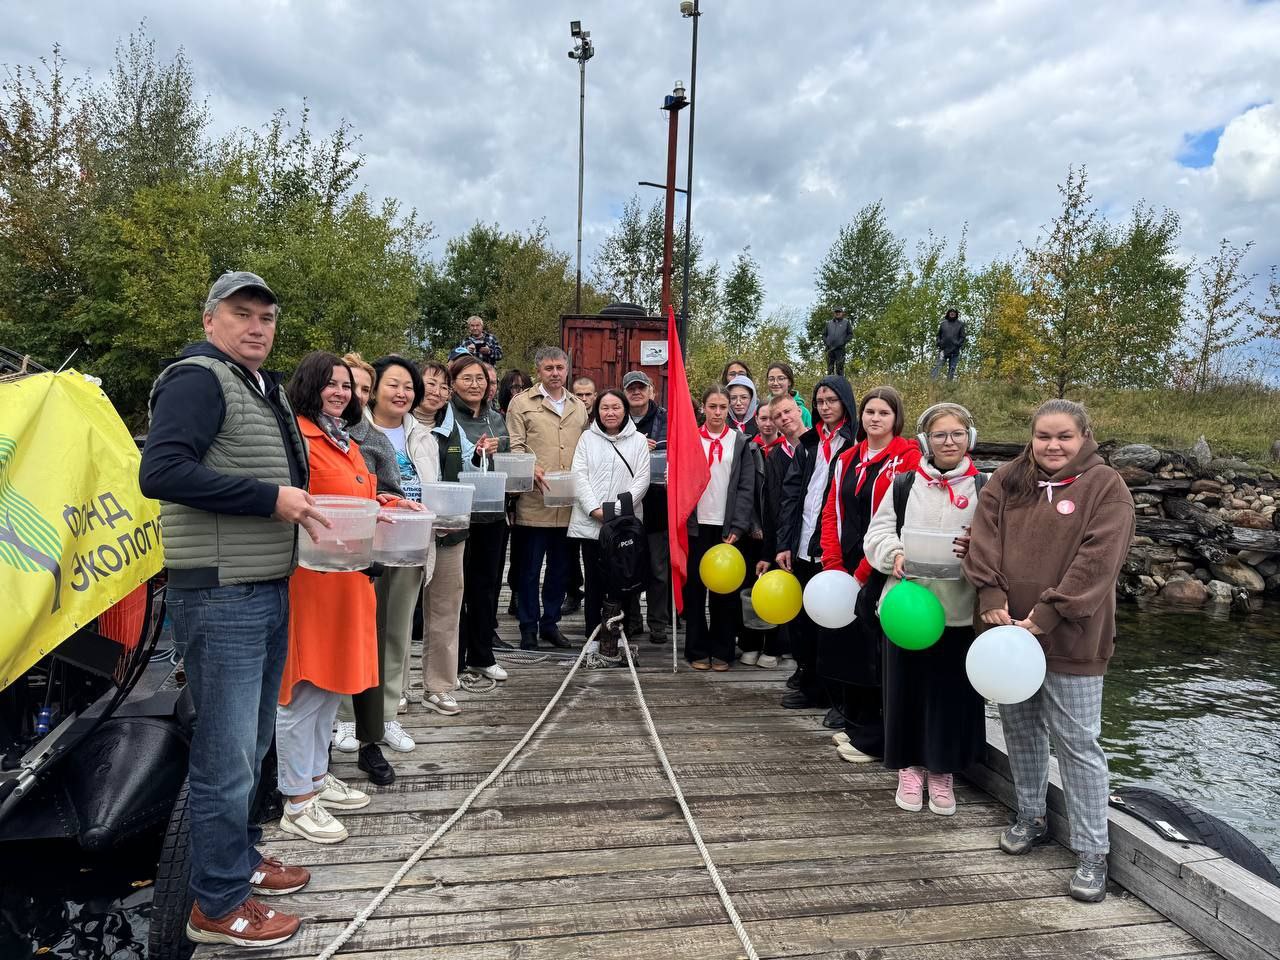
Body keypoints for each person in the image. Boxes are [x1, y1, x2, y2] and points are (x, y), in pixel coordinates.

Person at [140, 271, 323, 947]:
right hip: (221, 592)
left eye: (267, 318)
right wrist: (269, 499)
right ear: (210, 319)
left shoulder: (257, 384)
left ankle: (240, 861)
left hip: (263, 584)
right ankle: (216, 905)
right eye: (241, 314)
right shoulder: (197, 378)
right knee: (224, 755)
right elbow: (159, 471)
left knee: (253, 743)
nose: (257, 327)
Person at [964, 399, 1135, 904]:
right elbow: (982, 537)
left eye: (1063, 436)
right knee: (1021, 731)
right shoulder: (1009, 480)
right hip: (1008, 640)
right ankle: (1031, 815)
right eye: (1043, 436)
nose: (1052, 446)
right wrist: (991, 595)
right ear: (1032, 438)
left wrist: (1051, 612)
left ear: (1084, 437)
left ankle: (1091, 851)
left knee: (1079, 745)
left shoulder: (1108, 489)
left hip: (1070, 639)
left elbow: (1098, 562)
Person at [275, 353, 381, 845]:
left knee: (333, 687)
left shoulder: (345, 439)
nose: (341, 392)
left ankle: (316, 778)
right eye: (330, 384)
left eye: (347, 385)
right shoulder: (296, 436)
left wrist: (385, 502)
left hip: (349, 577)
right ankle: (296, 800)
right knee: (304, 689)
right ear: (309, 386)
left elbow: (355, 498)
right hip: (313, 579)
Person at [864, 402, 985, 815]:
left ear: (969, 437)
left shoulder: (985, 488)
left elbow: (1002, 545)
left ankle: (943, 770)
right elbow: (877, 532)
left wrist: (979, 550)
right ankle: (910, 769)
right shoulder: (902, 484)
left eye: (956, 433)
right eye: (939, 435)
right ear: (925, 441)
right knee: (906, 690)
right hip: (907, 608)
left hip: (960, 611)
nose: (948, 441)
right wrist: (894, 554)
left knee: (952, 693)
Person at [333, 356, 428, 776]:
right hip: (340, 553)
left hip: (394, 545)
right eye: (350, 386)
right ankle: (342, 718)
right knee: (344, 636)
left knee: (393, 632)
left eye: (363, 389)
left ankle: (385, 715)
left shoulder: (377, 438)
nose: (355, 395)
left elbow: (390, 488)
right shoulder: (317, 434)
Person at [819, 386, 920, 749]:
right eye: (869, 412)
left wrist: (863, 570)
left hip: (882, 564)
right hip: (843, 564)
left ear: (896, 419)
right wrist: (833, 564)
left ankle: (875, 732)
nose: (875, 418)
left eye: (884, 413)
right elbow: (830, 509)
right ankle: (853, 718)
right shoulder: (847, 458)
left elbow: (894, 521)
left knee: (874, 648)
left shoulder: (907, 459)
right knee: (847, 643)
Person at [775, 376, 858, 709]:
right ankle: (810, 686)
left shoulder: (856, 442)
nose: (825, 407)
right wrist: (784, 542)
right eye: (820, 401)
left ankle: (838, 697)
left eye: (832, 401)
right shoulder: (809, 443)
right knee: (803, 622)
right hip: (804, 541)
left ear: (846, 403)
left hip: (837, 548)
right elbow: (791, 494)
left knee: (836, 625)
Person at [506, 347, 589, 650]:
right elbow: (515, 446)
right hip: (534, 503)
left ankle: (550, 624)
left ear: (568, 370)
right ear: (538, 371)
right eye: (549, 368)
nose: (555, 373)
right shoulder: (521, 404)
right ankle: (528, 626)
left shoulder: (579, 407)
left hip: (567, 505)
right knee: (529, 570)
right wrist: (531, 466)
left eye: (560, 368)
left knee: (560, 570)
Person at [410, 360, 471, 710]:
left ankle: (439, 686)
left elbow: (467, 474)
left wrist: (483, 459)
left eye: (443, 387)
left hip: (449, 532)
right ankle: (394, 690)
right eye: (429, 384)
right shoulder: (395, 425)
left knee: (446, 610)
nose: (436, 392)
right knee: (398, 614)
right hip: (406, 532)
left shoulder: (454, 429)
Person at [569, 388, 651, 638]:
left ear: (625, 410)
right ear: (597, 411)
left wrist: (613, 512)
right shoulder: (587, 439)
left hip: (624, 525)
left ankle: (619, 635)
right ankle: (593, 635)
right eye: (605, 408)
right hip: (592, 523)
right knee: (594, 582)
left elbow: (642, 480)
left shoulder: (637, 440)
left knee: (623, 580)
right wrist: (595, 509)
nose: (610, 412)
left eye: (616, 407)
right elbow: (579, 476)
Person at [684, 385, 756, 670]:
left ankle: (723, 650)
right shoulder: (691, 439)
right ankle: (697, 649)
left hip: (726, 527)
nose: (717, 412)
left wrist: (738, 525)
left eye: (722, 407)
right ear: (703, 408)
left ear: (729, 409)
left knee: (724, 592)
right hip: (697, 525)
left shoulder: (739, 442)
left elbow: (745, 486)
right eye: (712, 406)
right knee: (696, 589)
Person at [449, 354, 510, 680]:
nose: (475, 385)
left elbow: (510, 456)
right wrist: (475, 452)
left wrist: (500, 451)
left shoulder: (496, 418)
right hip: (458, 513)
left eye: (480, 379)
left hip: (493, 514)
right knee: (456, 588)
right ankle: (454, 661)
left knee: (487, 587)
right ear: (453, 383)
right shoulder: (446, 418)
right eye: (467, 378)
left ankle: (482, 656)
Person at [753, 393, 808, 669]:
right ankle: (798, 665)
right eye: (777, 416)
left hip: (815, 539)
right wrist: (768, 550)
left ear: (798, 411)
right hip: (787, 539)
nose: (784, 419)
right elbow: (773, 507)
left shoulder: (819, 447)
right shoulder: (776, 456)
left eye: (787, 412)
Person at [623, 370, 670, 645]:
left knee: (658, 569)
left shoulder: (666, 418)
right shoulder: (618, 418)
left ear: (651, 390)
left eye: (641, 388)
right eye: (631, 389)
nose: (636, 392)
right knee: (628, 564)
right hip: (628, 503)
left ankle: (658, 623)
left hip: (657, 504)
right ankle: (631, 619)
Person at [497, 368, 533, 618]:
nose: (517, 392)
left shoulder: (531, 413)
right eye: (513, 388)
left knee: (521, 550)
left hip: (523, 493)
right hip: (500, 493)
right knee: (498, 553)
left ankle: (518, 596)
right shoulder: (496, 417)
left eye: (522, 388)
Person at [563, 376, 599, 614]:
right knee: (569, 549)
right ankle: (573, 591)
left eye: (588, 395)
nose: (584, 399)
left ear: (595, 396)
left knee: (594, 551)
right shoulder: (566, 418)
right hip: (567, 489)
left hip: (594, 493)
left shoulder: (603, 420)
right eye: (579, 395)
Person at [764, 362, 813, 428]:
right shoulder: (763, 409)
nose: (775, 383)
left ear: (789, 381)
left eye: (781, 378)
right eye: (771, 379)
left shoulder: (803, 412)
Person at [932, 308, 966, 382]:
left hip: (954, 352)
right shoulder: (943, 324)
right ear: (948, 313)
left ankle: (948, 385)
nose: (952, 313)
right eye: (951, 312)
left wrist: (958, 344)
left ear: (956, 314)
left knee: (952, 369)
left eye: (954, 312)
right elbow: (938, 335)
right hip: (943, 350)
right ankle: (931, 383)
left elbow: (962, 337)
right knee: (937, 366)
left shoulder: (960, 324)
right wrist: (939, 342)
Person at [823, 306, 853, 377]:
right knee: (830, 368)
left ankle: (840, 384)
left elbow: (850, 334)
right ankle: (829, 384)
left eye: (839, 312)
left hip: (840, 349)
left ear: (842, 313)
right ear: (834, 313)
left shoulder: (846, 322)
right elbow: (824, 335)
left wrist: (843, 342)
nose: (837, 313)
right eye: (836, 312)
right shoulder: (829, 323)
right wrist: (827, 342)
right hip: (830, 348)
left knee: (839, 368)